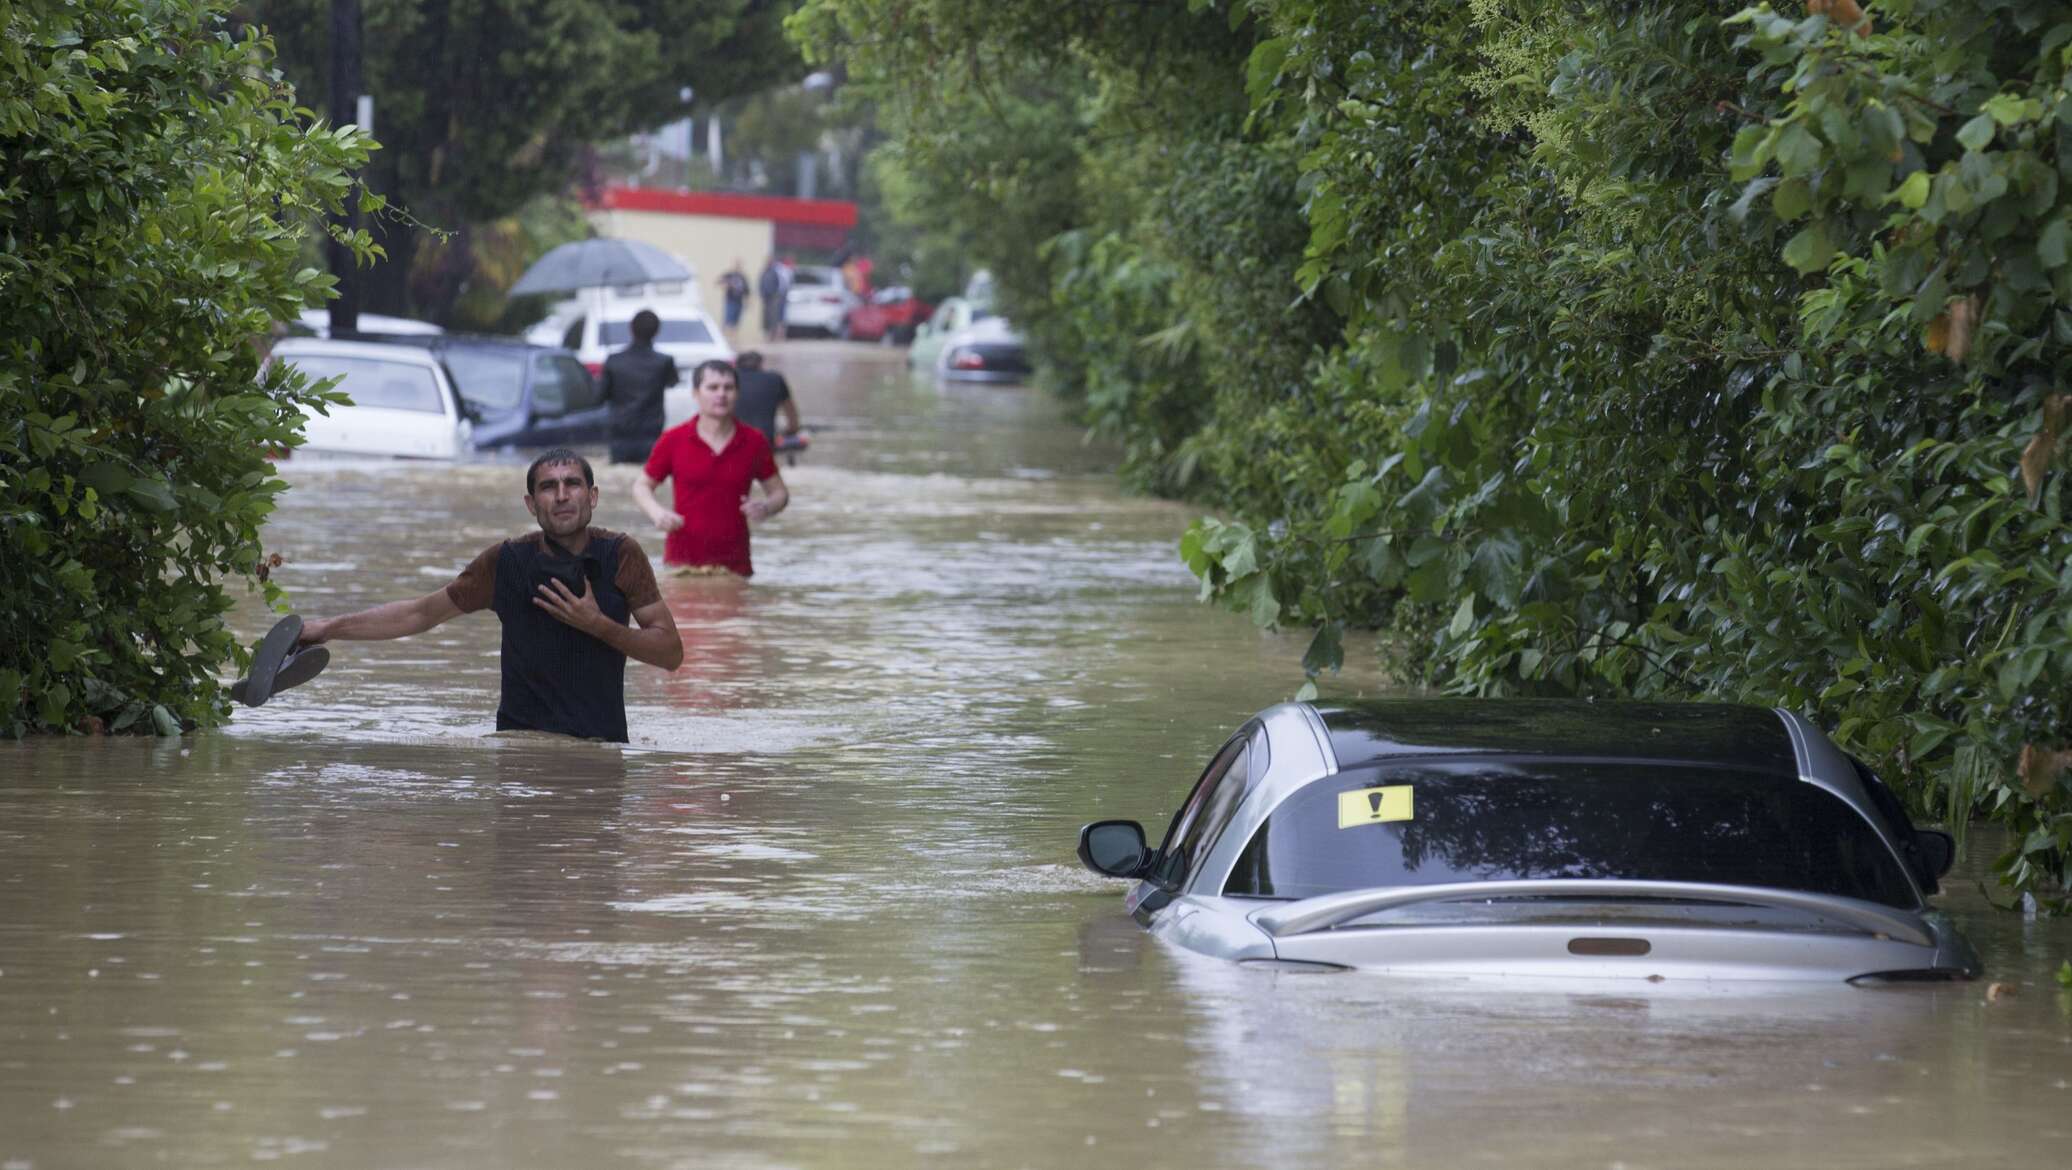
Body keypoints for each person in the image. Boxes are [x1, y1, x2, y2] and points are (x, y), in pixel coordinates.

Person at [296, 450, 683, 742]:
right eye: (548, 487)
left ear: (593, 496)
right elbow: (419, 614)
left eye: (573, 484)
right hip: (519, 748)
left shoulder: (621, 554)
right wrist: (326, 628)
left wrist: (597, 624)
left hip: (601, 750)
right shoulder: (506, 561)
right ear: (531, 504)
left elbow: (670, 653)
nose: (562, 495)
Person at [634, 360, 790, 577]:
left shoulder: (755, 442)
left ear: (737, 393)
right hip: (682, 565)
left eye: (728, 387)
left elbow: (779, 493)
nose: (721, 394)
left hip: (735, 566)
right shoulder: (673, 439)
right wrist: (657, 513)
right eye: (713, 387)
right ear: (696, 393)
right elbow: (642, 486)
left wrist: (766, 507)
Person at [597, 309, 678, 465]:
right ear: (657, 331)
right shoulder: (664, 362)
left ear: (631, 328)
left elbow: (600, 397)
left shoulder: (614, 361)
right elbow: (672, 382)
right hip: (651, 432)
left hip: (620, 433)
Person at [732, 350, 800, 444]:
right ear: (760, 365)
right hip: (765, 439)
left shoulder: (729, 381)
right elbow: (792, 419)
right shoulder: (775, 379)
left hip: (733, 441)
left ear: (736, 365)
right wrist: (789, 432)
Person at [757, 256, 786, 342]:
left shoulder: (775, 272)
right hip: (765, 297)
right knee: (766, 316)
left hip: (773, 297)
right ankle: (766, 334)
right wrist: (761, 293)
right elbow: (760, 283)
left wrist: (776, 294)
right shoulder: (764, 272)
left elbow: (779, 284)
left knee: (773, 316)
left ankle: (772, 335)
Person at [718, 260, 750, 338]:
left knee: (736, 322)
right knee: (727, 320)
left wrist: (748, 302)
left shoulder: (743, 277)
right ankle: (724, 337)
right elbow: (719, 281)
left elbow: (747, 291)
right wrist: (725, 284)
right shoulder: (729, 275)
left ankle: (734, 338)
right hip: (730, 301)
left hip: (739, 302)